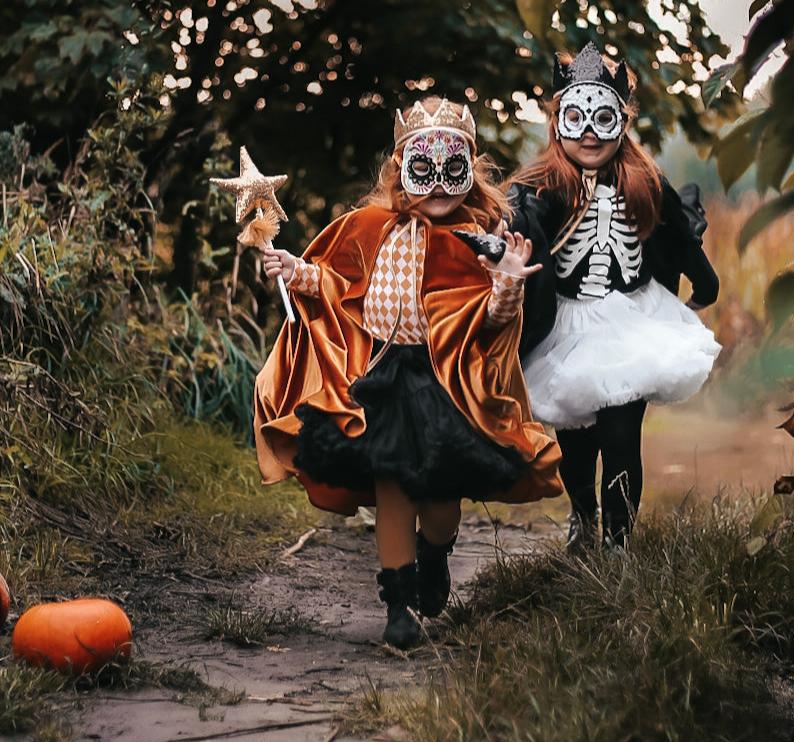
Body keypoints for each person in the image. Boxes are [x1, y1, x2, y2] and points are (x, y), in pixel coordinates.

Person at [254, 96, 561, 649]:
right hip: (382, 376)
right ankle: (398, 604)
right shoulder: (369, 226)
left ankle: (435, 553)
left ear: (469, 173)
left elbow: (489, 321)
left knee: (439, 498)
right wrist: (294, 270)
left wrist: (508, 282)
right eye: (424, 169)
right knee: (392, 480)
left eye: (453, 170)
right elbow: (336, 282)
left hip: (447, 383)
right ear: (401, 169)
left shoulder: (478, 241)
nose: (439, 185)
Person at [507, 42, 721, 552]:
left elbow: (679, 236)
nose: (587, 133)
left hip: (630, 321)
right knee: (577, 442)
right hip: (567, 326)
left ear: (620, 123)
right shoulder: (539, 187)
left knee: (622, 436)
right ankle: (583, 519)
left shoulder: (644, 182)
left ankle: (618, 543)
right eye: (575, 118)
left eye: (601, 119)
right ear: (558, 121)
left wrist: (705, 284)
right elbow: (515, 230)